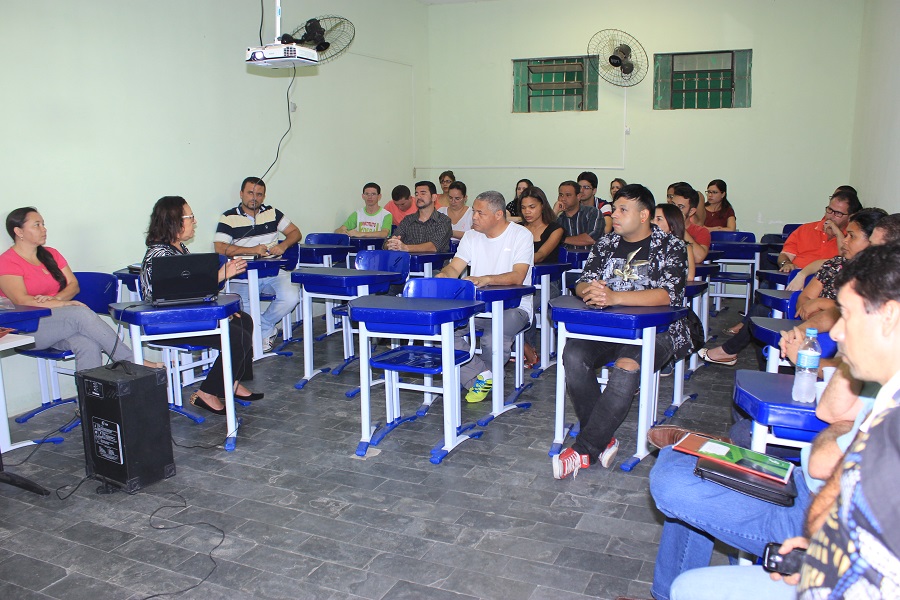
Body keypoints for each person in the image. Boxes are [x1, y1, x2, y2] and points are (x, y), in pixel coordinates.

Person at [657, 244, 900, 600]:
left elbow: (822, 463)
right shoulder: (887, 388)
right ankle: (716, 453)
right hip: (804, 489)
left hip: (805, 504)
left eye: (846, 315)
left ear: (890, 316)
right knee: (682, 461)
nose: (836, 333)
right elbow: (833, 426)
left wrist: (819, 548)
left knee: (672, 480)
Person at [552, 184, 690, 479]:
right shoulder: (605, 244)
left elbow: (669, 295)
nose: (614, 214)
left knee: (626, 369)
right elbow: (581, 281)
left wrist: (614, 296)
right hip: (606, 328)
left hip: (658, 331)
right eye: (614, 208)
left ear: (644, 216)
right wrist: (589, 289)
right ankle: (603, 438)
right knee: (573, 354)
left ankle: (586, 448)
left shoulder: (671, 246)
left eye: (622, 209)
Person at [700, 207, 881, 369]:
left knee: (763, 313)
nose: (845, 241)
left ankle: (732, 352)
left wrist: (821, 304)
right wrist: (810, 306)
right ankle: (763, 368)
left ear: (873, 242)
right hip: (810, 323)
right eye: (846, 235)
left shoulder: (876, 279)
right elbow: (804, 298)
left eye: (852, 236)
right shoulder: (835, 264)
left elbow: (851, 314)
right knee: (762, 314)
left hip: (837, 336)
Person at [142, 196, 260, 416]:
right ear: (174, 221)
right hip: (168, 321)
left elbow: (195, 292)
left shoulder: (179, 249)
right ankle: (207, 392)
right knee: (236, 336)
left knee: (244, 320)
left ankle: (230, 382)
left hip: (186, 314)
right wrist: (220, 275)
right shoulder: (159, 254)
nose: (194, 222)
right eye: (190, 217)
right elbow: (176, 293)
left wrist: (219, 311)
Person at [0, 207, 137, 371]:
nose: (44, 229)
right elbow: (21, 300)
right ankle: (131, 362)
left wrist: (56, 299)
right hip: (26, 330)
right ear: (18, 231)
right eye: (37, 225)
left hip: (58, 323)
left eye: (43, 224)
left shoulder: (51, 254)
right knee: (79, 313)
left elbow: (73, 285)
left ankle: (90, 396)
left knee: (88, 344)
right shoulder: (7, 262)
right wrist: (63, 304)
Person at [436, 190, 533, 403]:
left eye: (480, 213)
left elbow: (518, 276)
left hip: (515, 307)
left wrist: (486, 279)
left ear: (498, 215)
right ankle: (482, 376)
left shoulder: (521, 235)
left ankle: (483, 379)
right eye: (474, 212)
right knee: (443, 331)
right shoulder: (472, 236)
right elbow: (455, 267)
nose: (474, 218)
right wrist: (444, 276)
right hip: (479, 305)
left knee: (492, 337)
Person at [214, 177, 302, 351]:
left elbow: (295, 232)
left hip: (273, 270)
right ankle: (264, 333)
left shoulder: (273, 213)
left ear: (264, 197)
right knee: (242, 306)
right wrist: (252, 250)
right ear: (241, 194)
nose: (254, 197)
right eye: (250, 193)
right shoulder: (229, 217)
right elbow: (220, 248)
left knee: (292, 297)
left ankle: (264, 327)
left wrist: (283, 245)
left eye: (259, 194)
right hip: (242, 273)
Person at [520, 186, 564, 367]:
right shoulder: (519, 229)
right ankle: (522, 347)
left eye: (532, 207)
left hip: (547, 283)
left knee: (526, 304)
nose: (527, 212)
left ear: (542, 206)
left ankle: (529, 350)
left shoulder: (555, 229)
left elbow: (541, 255)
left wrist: (516, 262)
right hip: (521, 281)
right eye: (523, 208)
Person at [775, 186, 861, 272]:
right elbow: (785, 255)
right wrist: (786, 263)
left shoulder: (851, 238)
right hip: (796, 278)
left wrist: (838, 234)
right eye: (830, 209)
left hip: (827, 282)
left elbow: (845, 263)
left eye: (838, 213)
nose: (831, 216)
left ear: (850, 217)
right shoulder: (805, 229)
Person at [384, 181, 453, 253]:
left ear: (434, 197)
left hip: (435, 263)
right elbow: (388, 242)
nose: (418, 197)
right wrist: (391, 243)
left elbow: (434, 246)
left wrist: (406, 247)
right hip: (409, 263)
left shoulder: (444, 221)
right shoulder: (408, 220)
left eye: (423, 193)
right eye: (416, 194)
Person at [666, 182, 710, 263]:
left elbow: (698, 258)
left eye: (680, 207)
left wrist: (679, 227)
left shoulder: (701, 232)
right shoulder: (660, 226)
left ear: (691, 211)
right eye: (673, 204)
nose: (675, 209)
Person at [555, 180, 604, 249]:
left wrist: (561, 239)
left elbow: (591, 238)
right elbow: (545, 236)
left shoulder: (592, 212)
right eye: (561, 195)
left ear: (578, 196)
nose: (563, 199)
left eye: (568, 195)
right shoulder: (559, 219)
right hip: (566, 258)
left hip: (591, 257)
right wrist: (554, 212)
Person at [654, 203, 696, 280]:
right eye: (652, 218)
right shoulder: (646, 244)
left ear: (672, 225)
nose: (653, 222)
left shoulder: (684, 247)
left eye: (659, 219)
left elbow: (690, 277)